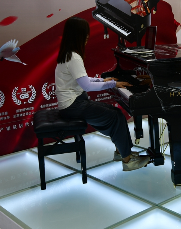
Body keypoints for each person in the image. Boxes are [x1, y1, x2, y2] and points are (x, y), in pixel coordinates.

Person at [55, 17, 150, 171]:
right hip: (73, 106)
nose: (87, 37)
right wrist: (112, 83)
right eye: (85, 34)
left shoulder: (67, 54)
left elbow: (83, 79)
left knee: (115, 113)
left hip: (72, 104)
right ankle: (128, 161)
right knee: (115, 116)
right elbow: (86, 85)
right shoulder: (74, 57)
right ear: (78, 35)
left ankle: (122, 152)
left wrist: (103, 80)